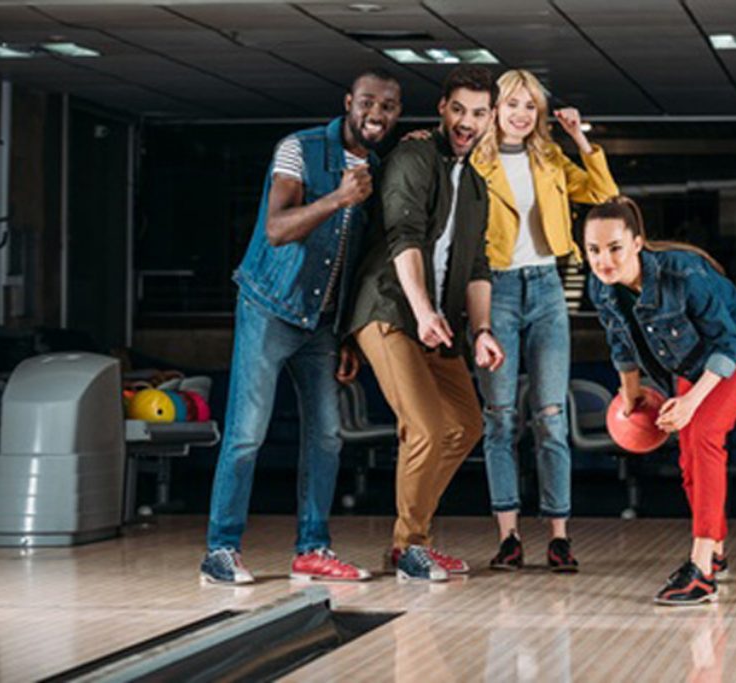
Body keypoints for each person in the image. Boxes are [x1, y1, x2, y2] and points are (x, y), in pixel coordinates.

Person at [200, 71, 402, 585]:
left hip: (320, 324)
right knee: (247, 434)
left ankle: (312, 548)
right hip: (268, 307)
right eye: (367, 102)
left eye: (389, 106)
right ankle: (220, 551)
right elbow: (277, 228)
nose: (376, 113)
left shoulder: (375, 168)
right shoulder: (299, 148)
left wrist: (345, 332)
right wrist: (337, 198)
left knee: (328, 437)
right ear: (348, 103)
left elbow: (351, 258)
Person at [345, 65, 505, 582]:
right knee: (428, 427)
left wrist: (481, 330)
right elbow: (403, 237)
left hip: (437, 320)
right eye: (458, 109)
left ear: (491, 118)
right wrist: (423, 311)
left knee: (466, 423)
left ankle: (407, 539)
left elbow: (477, 266)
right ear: (442, 109)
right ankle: (411, 545)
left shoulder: (477, 186)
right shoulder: (414, 157)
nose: (467, 121)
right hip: (390, 309)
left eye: (478, 113)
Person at [584, 196, 736, 605]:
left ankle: (702, 568)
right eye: (594, 250)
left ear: (637, 243)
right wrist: (629, 391)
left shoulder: (685, 275)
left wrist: (691, 404)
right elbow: (620, 340)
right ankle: (716, 548)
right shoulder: (601, 286)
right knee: (688, 453)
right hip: (695, 363)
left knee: (704, 433)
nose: (604, 260)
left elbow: (727, 341)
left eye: (614, 247)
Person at [469, 69, 618, 572]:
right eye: (512, 104)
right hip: (497, 288)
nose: (520, 114)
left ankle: (559, 535)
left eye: (529, 106)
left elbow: (603, 194)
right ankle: (509, 536)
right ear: (494, 109)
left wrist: (579, 138)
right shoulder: (473, 163)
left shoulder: (550, 158)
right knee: (501, 419)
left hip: (548, 287)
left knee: (552, 419)